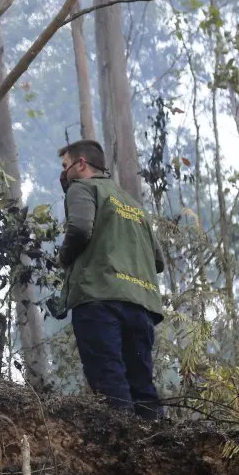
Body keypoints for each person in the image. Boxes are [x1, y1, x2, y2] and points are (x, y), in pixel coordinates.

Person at [55, 139, 166, 419]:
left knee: (109, 382)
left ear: (81, 164)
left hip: (99, 300)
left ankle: (123, 453)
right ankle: (155, 450)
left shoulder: (82, 188)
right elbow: (159, 261)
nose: (64, 174)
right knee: (142, 385)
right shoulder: (133, 204)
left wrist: (64, 258)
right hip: (141, 305)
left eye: (66, 166)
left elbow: (79, 229)